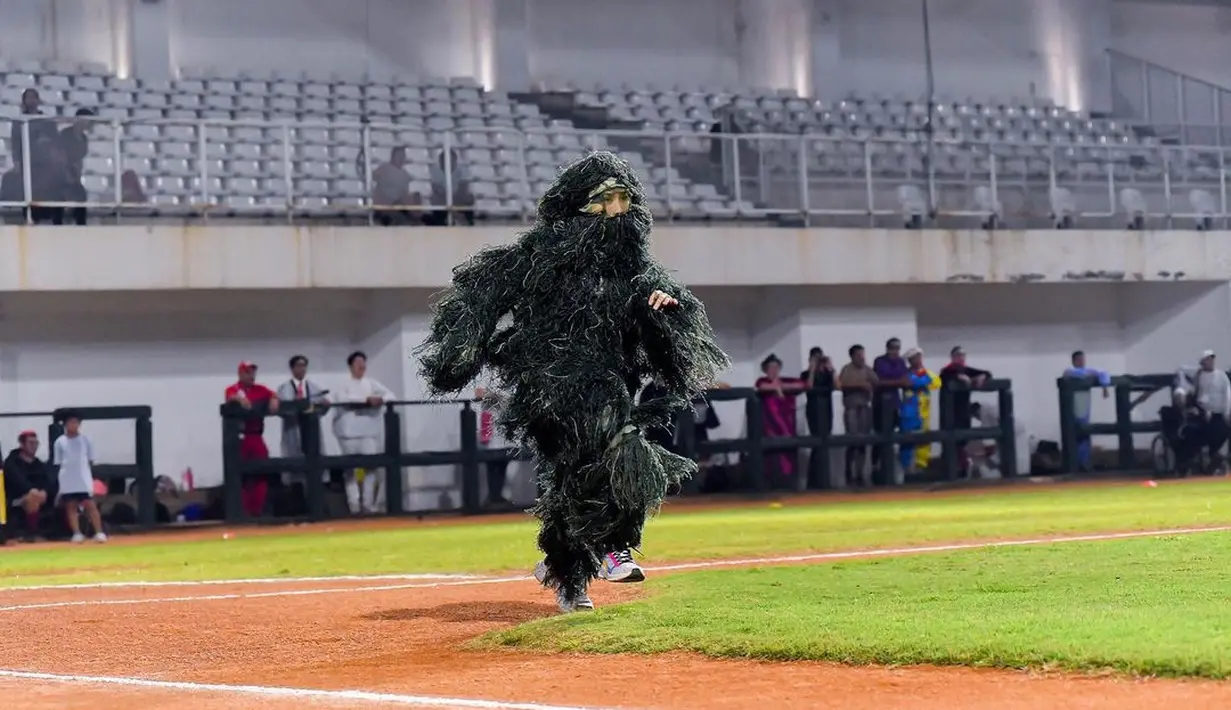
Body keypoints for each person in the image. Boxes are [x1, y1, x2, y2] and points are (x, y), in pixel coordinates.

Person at [417, 150, 728, 612]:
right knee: (619, 445)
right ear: (580, 204)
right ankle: (614, 548)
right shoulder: (534, 260)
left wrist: (661, 312)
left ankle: (567, 574)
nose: (617, 210)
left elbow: (675, 345)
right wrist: (459, 350)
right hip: (549, 391)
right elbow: (479, 296)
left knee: (573, 476)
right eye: (606, 199)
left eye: (624, 199)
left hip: (610, 386)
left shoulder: (635, 274)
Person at [332, 351, 393, 515]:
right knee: (351, 471)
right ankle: (354, 506)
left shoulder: (371, 383)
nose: (361, 366)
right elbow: (342, 398)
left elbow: (390, 395)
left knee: (371, 469)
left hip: (368, 433)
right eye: (358, 362)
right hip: (348, 434)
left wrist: (380, 400)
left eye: (363, 362)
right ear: (351, 366)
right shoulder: (343, 384)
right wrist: (366, 400)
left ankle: (368, 504)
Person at [224, 361, 279, 518]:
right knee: (241, 476)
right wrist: (239, 400)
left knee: (262, 471)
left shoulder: (260, 389)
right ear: (240, 373)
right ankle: (244, 512)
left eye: (253, 372)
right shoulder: (233, 389)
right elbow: (230, 397)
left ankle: (258, 511)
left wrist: (274, 399)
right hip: (239, 438)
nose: (251, 375)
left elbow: (273, 394)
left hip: (256, 436)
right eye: (248, 372)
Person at [276, 355, 330, 485]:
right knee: (296, 470)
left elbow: (321, 407)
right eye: (299, 366)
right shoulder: (284, 388)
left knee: (315, 470)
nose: (302, 369)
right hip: (294, 429)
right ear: (292, 368)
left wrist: (325, 405)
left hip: (311, 431)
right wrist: (297, 406)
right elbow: (281, 409)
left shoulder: (313, 387)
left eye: (304, 366)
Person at [54, 412, 106, 543]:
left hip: (83, 477)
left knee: (90, 504)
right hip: (67, 477)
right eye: (71, 422)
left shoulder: (86, 440)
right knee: (70, 505)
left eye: (76, 422)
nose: (74, 425)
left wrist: (86, 474)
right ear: (66, 424)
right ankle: (77, 533)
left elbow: (90, 459)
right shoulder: (59, 442)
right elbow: (58, 462)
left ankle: (99, 532)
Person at [1175, 350, 1231, 470]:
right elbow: (1181, 369)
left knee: (1222, 429)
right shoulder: (1198, 375)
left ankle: (1215, 455)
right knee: (1197, 429)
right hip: (1202, 411)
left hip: (1219, 412)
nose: (1210, 362)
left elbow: (1227, 394)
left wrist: (1227, 411)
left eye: (1211, 359)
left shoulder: (1221, 375)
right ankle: (1200, 458)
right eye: (1207, 360)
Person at [939, 346, 992, 474]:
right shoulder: (947, 371)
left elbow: (987, 373)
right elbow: (946, 376)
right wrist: (959, 376)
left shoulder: (966, 370)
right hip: (950, 411)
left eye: (963, 355)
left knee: (963, 441)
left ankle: (962, 468)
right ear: (953, 357)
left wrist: (982, 377)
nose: (961, 358)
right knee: (952, 443)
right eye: (958, 355)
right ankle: (952, 469)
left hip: (963, 410)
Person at [755, 354, 805, 487]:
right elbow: (762, 387)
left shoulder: (786, 380)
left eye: (776, 367)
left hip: (788, 426)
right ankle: (772, 483)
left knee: (788, 454)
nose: (774, 371)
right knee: (772, 456)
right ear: (765, 370)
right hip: (770, 427)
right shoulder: (762, 381)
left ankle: (790, 482)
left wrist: (781, 387)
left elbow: (802, 385)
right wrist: (776, 388)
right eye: (771, 368)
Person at [3, 430, 55, 542]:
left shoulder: (38, 463)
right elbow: (17, 480)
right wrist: (30, 490)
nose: (34, 446)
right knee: (32, 499)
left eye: (36, 443)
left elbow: (48, 480)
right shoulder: (11, 462)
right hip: (14, 500)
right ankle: (31, 533)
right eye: (31, 443)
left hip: (38, 496)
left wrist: (45, 491)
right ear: (22, 444)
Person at [838, 344, 879, 487]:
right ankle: (850, 474)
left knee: (863, 442)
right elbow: (841, 384)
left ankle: (862, 473)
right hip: (852, 409)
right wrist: (859, 385)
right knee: (852, 441)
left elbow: (876, 382)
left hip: (865, 408)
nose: (861, 358)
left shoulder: (867, 370)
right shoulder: (847, 370)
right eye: (858, 355)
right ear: (852, 356)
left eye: (863, 355)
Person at [1063, 350, 1110, 471]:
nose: (1082, 361)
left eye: (1083, 359)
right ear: (1074, 361)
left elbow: (1103, 373)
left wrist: (1104, 387)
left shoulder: (1089, 371)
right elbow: (1069, 374)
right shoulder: (1070, 372)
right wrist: (1088, 375)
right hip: (1072, 406)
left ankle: (1084, 463)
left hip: (1084, 405)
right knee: (1075, 433)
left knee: (1084, 433)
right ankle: (1076, 464)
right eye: (1080, 359)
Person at [898, 349, 940, 477]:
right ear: (910, 360)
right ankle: (906, 469)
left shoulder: (925, 372)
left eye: (920, 357)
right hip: (910, 411)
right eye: (916, 358)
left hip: (924, 412)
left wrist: (922, 381)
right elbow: (911, 383)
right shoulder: (906, 373)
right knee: (908, 441)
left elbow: (936, 382)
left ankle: (921, 466)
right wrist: (922, 382)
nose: (919, 360)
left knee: (924, 441)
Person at [872, 338, 909, 474]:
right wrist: (897, 381)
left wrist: (895, 381)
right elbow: (880, 380)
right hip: (880, 404)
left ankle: (894, 466)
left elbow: (905, 380)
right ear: (888, 349)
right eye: (893, 348)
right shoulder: (880, 361)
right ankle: (876, 466)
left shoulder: (900, 362)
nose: (895, 351)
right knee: (880, 436)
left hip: (894, 403)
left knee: (897, 434)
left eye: (897, 349)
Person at [59, 108, 94, 225]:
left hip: (74, 175)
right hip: (61, 174)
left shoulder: (84, 139)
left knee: (81, 195)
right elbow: (60, 156)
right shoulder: (65, 134)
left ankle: (81, 226)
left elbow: (79, 160)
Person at [372, 146, 422, 225]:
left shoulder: (405, 174)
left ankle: (418, 219)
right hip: (387, 204)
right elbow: (372, 176)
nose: (401, 158)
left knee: (416, 196)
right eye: (399, 156)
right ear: (393, 156)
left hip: (400, 205)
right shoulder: (385, 168)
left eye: (402, 156)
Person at [424, 148, 475, 226]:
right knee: (435, 198)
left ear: (455, 161)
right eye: (443, 160)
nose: (447, 163)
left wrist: (451, 200)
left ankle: (465, 221)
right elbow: (436, 190)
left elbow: (463, 190)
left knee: (469, 197)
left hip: (457, 199)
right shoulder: (435, 171)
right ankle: (456, 217)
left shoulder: (463, 170)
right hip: (443, 200)